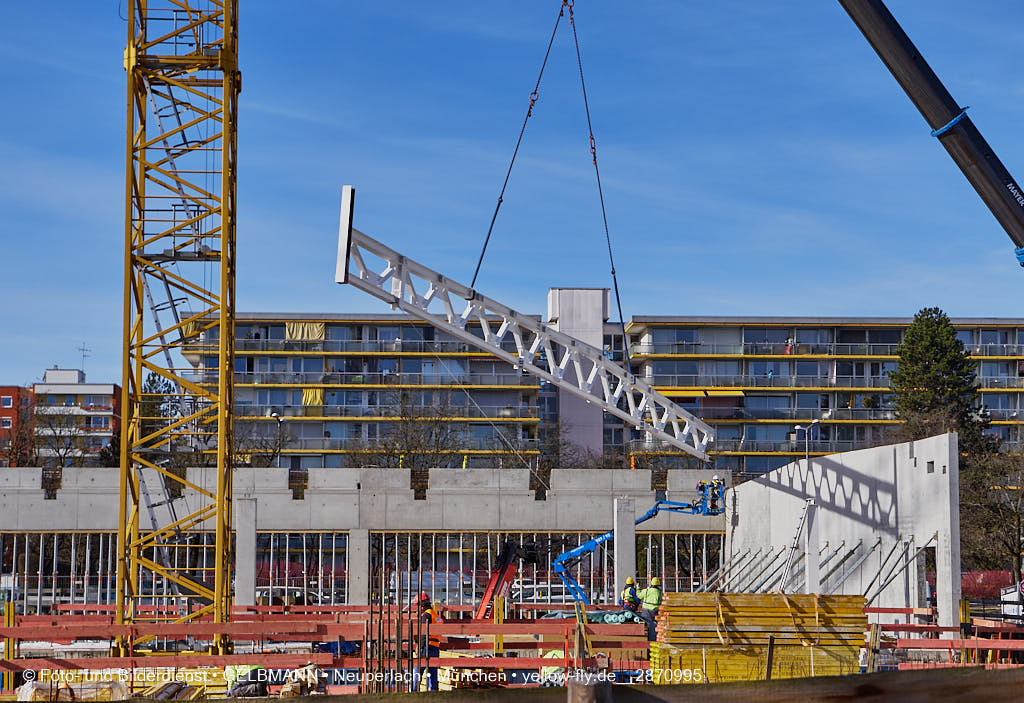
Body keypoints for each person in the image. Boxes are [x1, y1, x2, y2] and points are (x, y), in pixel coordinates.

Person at [416, 592, 443, 691]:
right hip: (435, 648)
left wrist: (420, 647)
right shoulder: (436, 616)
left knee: (418, 671)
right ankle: (434, 693)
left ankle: (413, 692)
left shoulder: (426, 615)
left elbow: (424, 632)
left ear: (421, 604)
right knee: (433, 673)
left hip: (426, 646)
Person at [636, 577, 663, 641]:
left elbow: (639, 595)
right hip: (655, 611)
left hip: (646, 611)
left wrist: (638, 588)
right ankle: (654, 639)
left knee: (646, 626)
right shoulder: (660, 592)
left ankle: (646, 640)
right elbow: (661, 602)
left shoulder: (647, 591)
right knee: (654, 626)